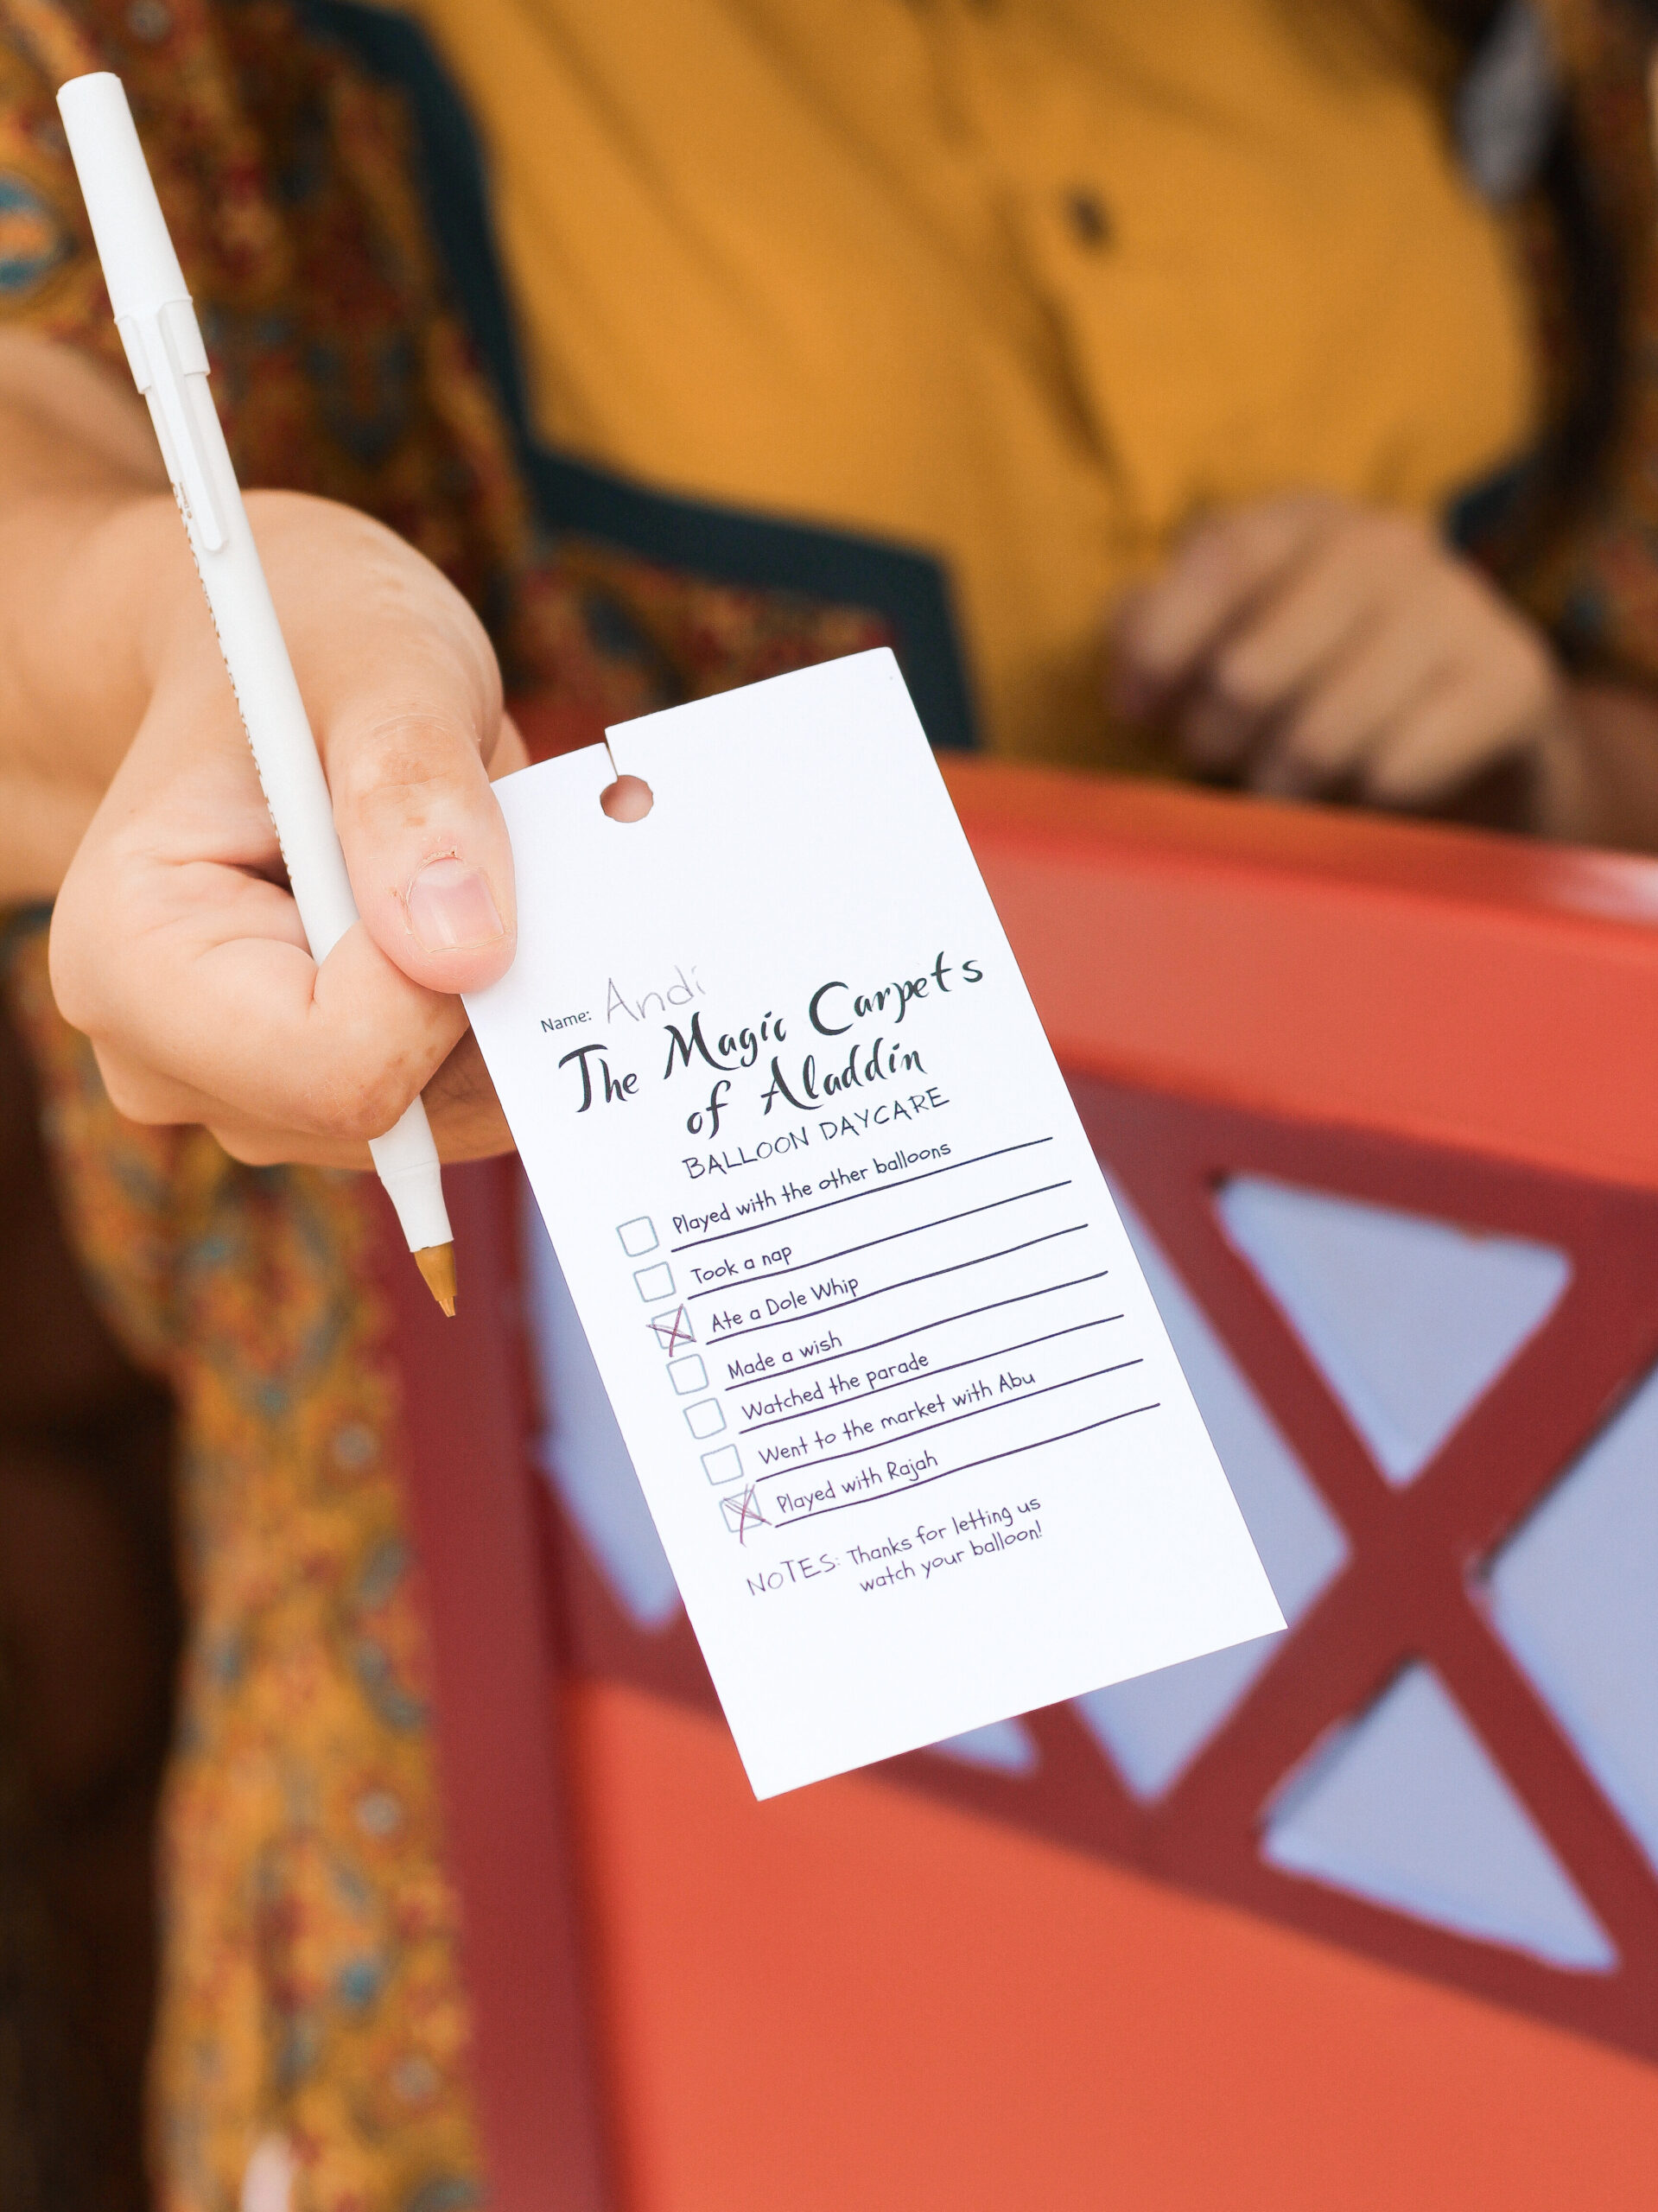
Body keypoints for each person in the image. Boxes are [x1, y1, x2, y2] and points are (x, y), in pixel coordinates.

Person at [3, 1, 1658, 2205]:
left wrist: (1543, 763)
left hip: (1459, 1701)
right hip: (572, 1766)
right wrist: (190, 632)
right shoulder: (188, 47)